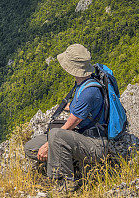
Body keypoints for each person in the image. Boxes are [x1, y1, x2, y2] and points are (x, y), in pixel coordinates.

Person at [24, 43, 108, 189]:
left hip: (95, 144)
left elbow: (69, 126)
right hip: (81, 136)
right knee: (31, 148)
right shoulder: (83, 83)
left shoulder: (89, 92)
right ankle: (67, 163)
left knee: (56, 135)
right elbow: (79, 110)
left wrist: (48, 145)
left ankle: (65, 184)